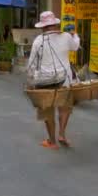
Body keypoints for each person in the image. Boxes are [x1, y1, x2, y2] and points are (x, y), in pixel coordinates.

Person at [27, 11, 80, 150]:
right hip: (65, 79)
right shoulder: (66, 36)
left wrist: (31, 80)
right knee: (65, 107)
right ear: (55, 24)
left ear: (42, 27)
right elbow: (75, 47)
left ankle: (52, 141)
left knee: (48, 111)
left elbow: (31, 64)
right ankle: (62, 134)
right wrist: (76, 36)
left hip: (45, 81)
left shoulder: (38, 40)